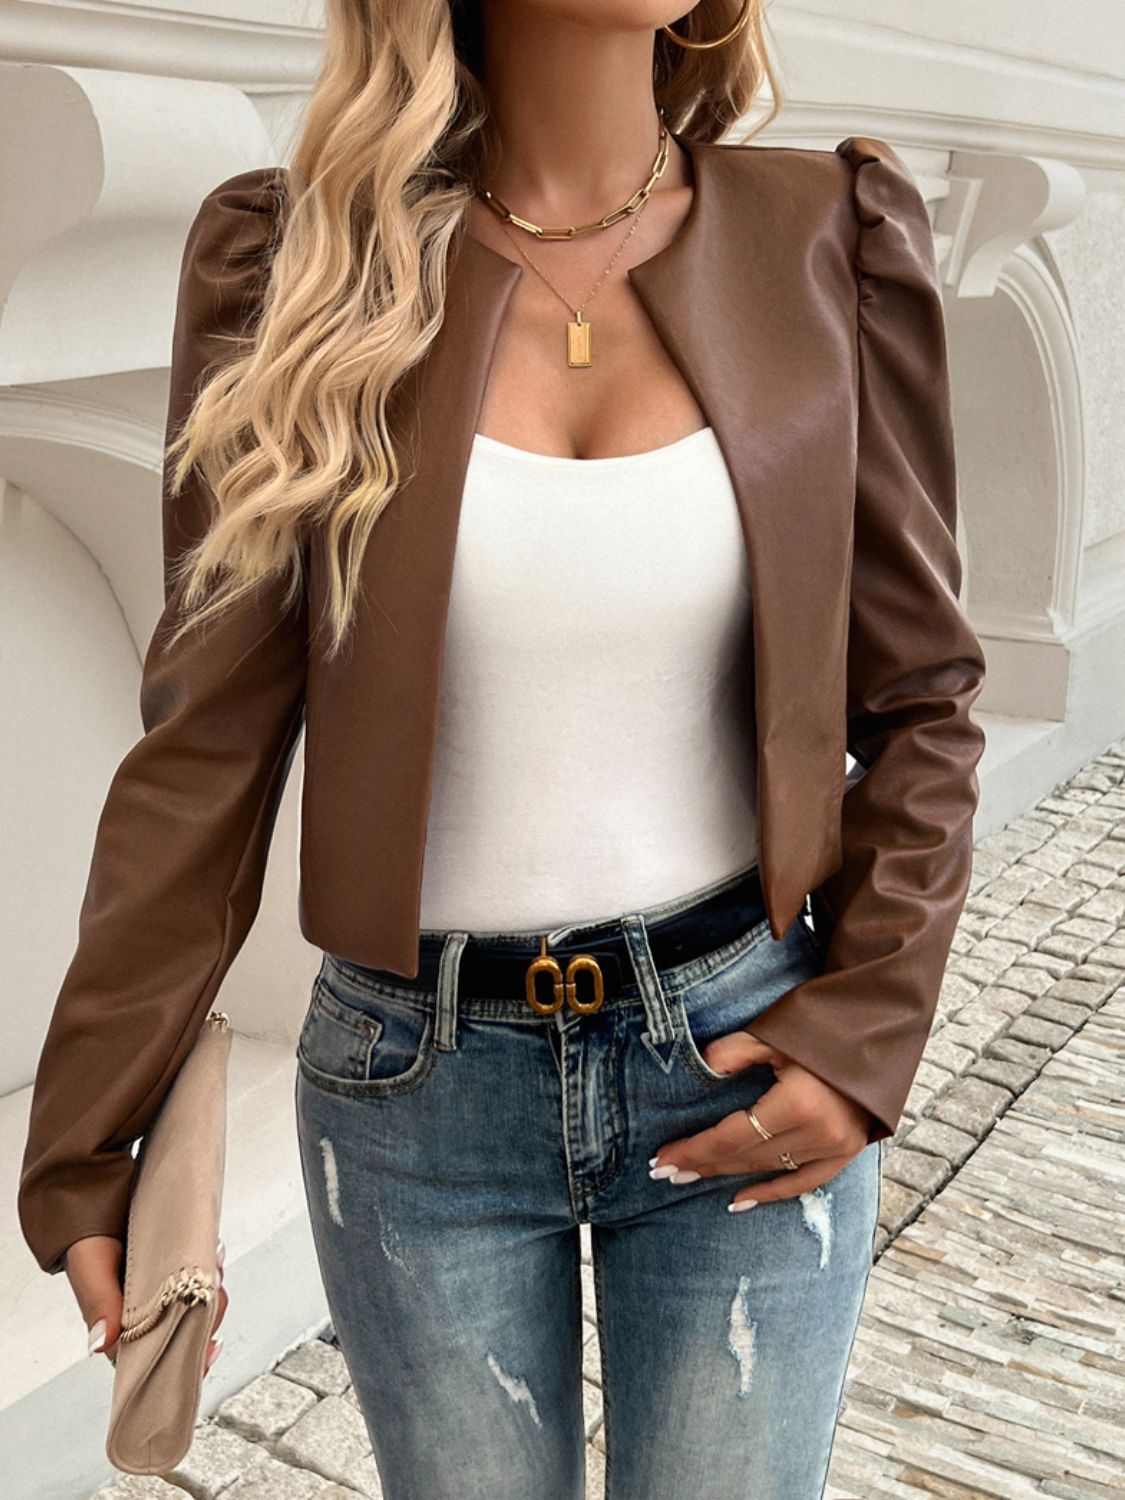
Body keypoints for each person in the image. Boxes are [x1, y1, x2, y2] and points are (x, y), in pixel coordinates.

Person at [18, 2, 987, 1496]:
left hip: (736, 1051)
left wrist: (865, 1030)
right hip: (412, 1092)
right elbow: (204, 752)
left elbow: (922, 693)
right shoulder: (297, 270)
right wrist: (87, 1135)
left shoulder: (826, 238)